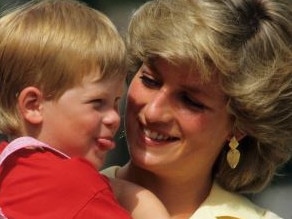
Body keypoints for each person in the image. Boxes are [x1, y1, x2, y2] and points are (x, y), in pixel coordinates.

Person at [102, 0, 292, 218]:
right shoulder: (61, 195)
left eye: (190, 101)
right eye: (150, 80)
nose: (153, 112)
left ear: (240, 125)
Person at [0, 0, 170, 219]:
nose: (113, 118)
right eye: (97, 102)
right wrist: (145, 200)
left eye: (116, 102)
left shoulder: (12, 170)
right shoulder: (72, 182)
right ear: (33, 105)